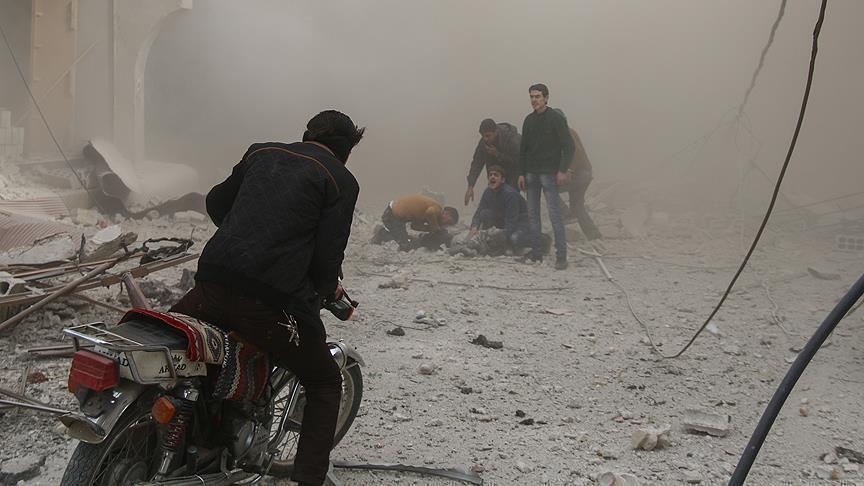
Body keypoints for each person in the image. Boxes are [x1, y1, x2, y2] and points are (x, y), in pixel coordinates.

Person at [170, 110, 365, 486]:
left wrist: (247, 233)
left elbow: (216, 204)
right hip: (270, 302)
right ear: (346, 148)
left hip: (211, 284)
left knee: (184, 358)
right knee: (325, 382)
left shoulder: (261, 152)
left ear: (308, 134)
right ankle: (309, 479)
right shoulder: (340, 179)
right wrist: (330, 289)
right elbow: (326, 259)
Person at [517, 83, 575, 270]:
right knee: (533, 216)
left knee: (554, 215)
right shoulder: (528, 120)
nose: (534, 100)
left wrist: (562, 170)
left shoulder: (556, 119)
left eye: (538, 96)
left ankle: (561, 256)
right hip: (531, 174)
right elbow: (523, 150)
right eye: (532, 97)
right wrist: (521, 173)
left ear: (546, 98)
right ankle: (536, 254)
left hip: (549, 174)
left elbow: (569, 146)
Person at [468, 165, 532, 253]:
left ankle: (540, 239)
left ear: (502, 180)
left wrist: (500, 235)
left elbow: (511, 221)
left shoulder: (510, 195)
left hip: (519, 224)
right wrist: (474, 227)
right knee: (484, 213)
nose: (492, 177)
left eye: (496, 175)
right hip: (503, 220)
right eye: (490, 175)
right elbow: (479, 211)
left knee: (514, 239)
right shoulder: (487, 192)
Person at [372, 194, 459, 251]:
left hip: (395, 215)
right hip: (393, 215)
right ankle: (381, 233)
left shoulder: (424, 212)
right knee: (405, 246)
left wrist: (429, 229)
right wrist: (435, 228)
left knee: (404, 238)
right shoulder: (437, 209)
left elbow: (414, 226)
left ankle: (384, 233)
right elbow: (430, 212)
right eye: (449, 222)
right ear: (446, 213)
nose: (446, 225)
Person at [464, 118, 521, 205]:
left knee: (510, 200)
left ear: (496, 132)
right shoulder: (483, 143)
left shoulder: (511, 139)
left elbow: (518, 161)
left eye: (488, 136)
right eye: (483, 136)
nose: (485, 139)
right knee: (494, 203)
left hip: (514, 174)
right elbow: (477, 163)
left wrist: (498, 154)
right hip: (495, 176)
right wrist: (471, 186)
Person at [560, 125, 602, 242]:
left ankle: (565, 213)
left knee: (549, 188)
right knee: (577, 205)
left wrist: (569, 170)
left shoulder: (564, 131)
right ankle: (594, 235)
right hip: (585, 173)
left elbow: (575, 151)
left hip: (579, 174)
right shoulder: (568, 130)